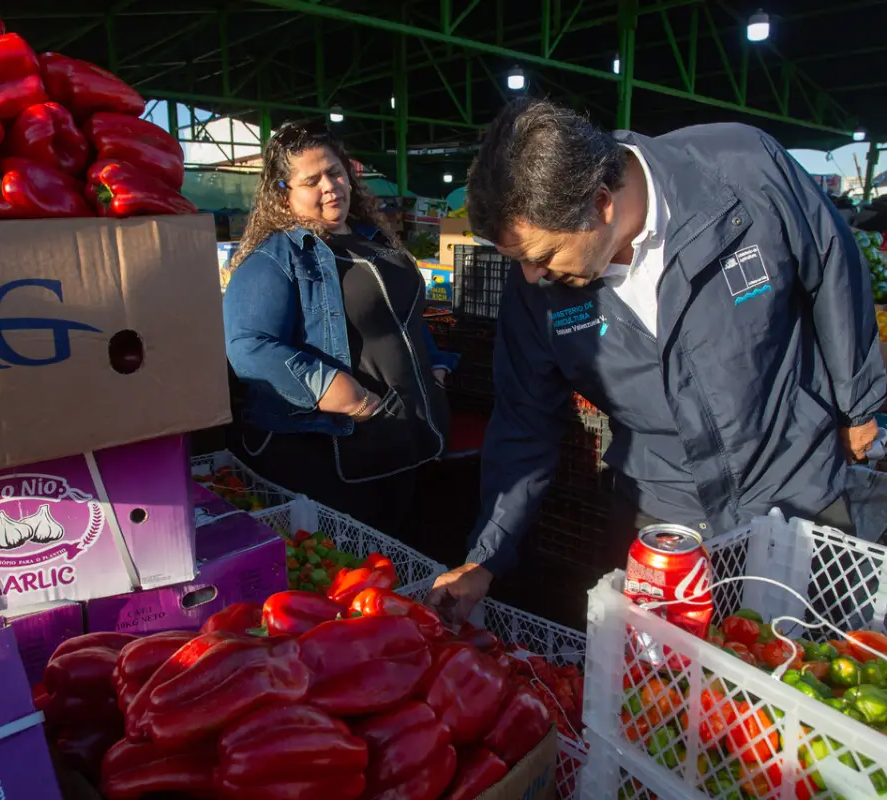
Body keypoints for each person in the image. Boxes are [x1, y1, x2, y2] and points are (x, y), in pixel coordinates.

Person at [427, 98, 886, 624]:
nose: (531, 277)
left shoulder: (740, 170)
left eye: (543, 256)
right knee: (665, 678)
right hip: (665, 507)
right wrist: (485, 556)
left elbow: (830, 263)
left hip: (793, 476)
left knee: (809, 662)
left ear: (601, 203)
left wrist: (859, 404)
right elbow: (524, 422)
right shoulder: (535, 293)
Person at [223, 121, 457, 539]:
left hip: (409, 439)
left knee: (409, 557)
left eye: (335, 171)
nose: (330, 186)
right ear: (284, 193)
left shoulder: (375, 241)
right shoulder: (276, 259)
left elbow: (405, 316)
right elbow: (249, 346)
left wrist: (436, 366)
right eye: (311, 180)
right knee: (356, 572)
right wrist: (338, 391)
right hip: (338, 453)